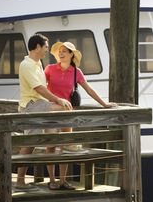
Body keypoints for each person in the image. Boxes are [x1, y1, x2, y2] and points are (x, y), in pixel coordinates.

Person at [44, 41, 117, 190]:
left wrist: (104, 104)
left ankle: (63, 180)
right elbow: (39, 87)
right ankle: (51, 180)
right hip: (51, 112)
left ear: (71, 54)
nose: (61, 53)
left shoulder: (76, 72)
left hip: (68, 113)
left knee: (65, 147)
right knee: (50, 146)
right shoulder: (50, 69)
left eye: (65, 51)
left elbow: (89, 90)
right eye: (60, 51)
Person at [16, 34, 72, 190]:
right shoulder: (26, 65)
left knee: (32, 143)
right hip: (31, 106)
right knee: (29, 143)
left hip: (40, 104)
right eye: (46, 47)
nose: (47, 50)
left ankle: (65, 142)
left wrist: (53, 99)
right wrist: (58, 99)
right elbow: (38, 88)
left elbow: (43, 88)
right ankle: (69, 142)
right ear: (38, 47)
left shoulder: (38, 62)